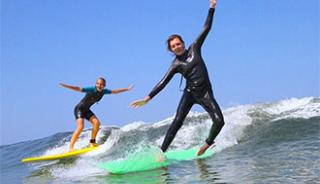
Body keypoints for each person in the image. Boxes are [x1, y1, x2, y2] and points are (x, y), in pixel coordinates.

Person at [131, 0, 224, 156]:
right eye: (173, 46)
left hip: (205, 93)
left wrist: (211, 8)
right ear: (171, 49)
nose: (177, 47)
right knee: (177, 121)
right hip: (189, 93)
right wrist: (148, 97)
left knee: (220, 121)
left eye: (178, 43)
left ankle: (207, 143)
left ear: (183, 43)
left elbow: (206, 28)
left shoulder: (195, 48)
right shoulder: (175, 64)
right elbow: (163, 82)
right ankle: (161, 152)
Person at [60, 77, 133, 152]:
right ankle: (71, 148)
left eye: (101, 84)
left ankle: (92, 142)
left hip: (87, 110)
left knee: (97, 123)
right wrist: (66, 86)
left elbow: (115, 91)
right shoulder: (92, 89)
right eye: (97, 83)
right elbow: (78, 88)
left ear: (104, 85)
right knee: (80, 127)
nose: (99, 85)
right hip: (79, 109)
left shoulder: (104, 91)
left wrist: (127, 89)